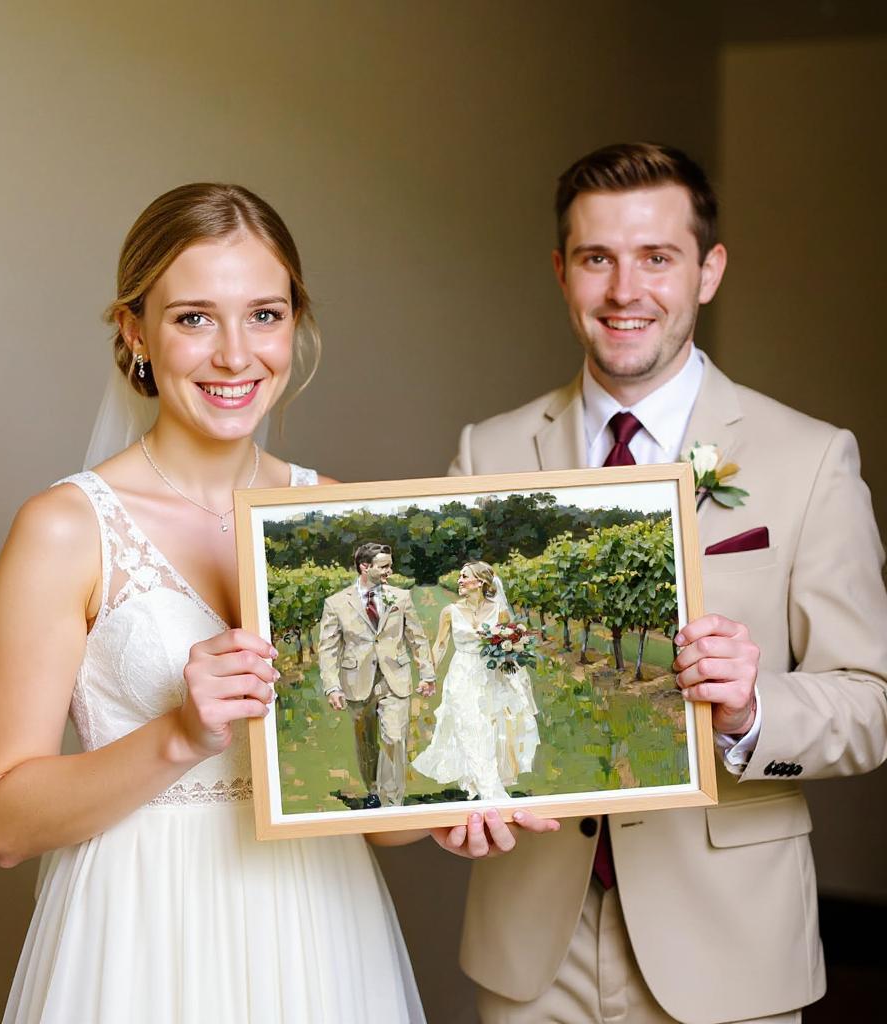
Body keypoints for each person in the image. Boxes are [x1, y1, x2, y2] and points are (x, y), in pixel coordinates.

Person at [447, 143, 887, 1023]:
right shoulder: (484, 453)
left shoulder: (811, 457)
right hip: (532, 942)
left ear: (708, 271)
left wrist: (751, 711)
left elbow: (871, 706)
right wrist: (464, 781)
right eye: (596, 257)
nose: (625, 290)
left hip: (729, 938)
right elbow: (466, 675)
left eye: (657, 257)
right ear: (562, 271)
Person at [0, 184, 425, 1023]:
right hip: (141, 935)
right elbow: (0, 822)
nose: (235, 355)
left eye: (263, 315)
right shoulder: (67, 529)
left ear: (295, 325)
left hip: (319, 930)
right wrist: (180, 733)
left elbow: (384, 819)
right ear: (135, 331)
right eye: (193, 318)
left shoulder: (340, 519)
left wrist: (459, 801)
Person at [318, 542, 436, 807]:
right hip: (357, 681)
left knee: (394, 737)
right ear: (364, 567)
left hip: (395, 679)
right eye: (384, 567)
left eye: (389, 566)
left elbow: (417, 638)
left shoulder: (401, 597)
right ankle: (373, 790)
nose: (389, 572)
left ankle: (392, 801)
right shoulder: (336, 603)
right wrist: (332, 687)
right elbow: (328, 649)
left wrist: (427, 674)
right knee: (366, 743)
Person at [412, 562, 539, 800]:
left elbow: (507, 643)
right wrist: (429, 677)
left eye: (464, 576)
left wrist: (511, 653)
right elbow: (440, 645)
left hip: (489, 676)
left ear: (480, 582)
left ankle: (484, 785)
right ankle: (491, 792)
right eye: (459, 576)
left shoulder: (498, 610)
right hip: (461, 673)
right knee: (468, 726)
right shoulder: (449, 611)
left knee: (489, 729)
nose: (459, 580)